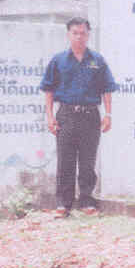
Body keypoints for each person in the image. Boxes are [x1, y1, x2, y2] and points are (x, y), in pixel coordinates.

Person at [40, 17, 116, 217]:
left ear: (88, 35)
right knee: (65, 161)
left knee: (87, 161)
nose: (79, 37)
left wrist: (108, 114)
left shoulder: (97, 61)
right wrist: (50, 117)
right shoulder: (58, 61)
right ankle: (63, 204)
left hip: (90, 116)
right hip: (66, 115)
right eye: (75, 33)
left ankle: (86, 201)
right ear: (68, 34)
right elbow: (48, 89)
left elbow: (107, 89)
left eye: (83, 33)